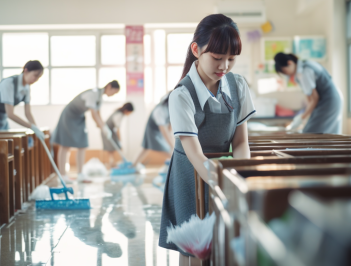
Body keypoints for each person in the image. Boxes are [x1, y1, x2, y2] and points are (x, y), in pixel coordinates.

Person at [158, 14, 255, 265]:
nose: (224, 66)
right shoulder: (181, 95)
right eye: (217, 57)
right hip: (190, 172)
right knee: (193, 248)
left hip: (223, 170)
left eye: (231, 59)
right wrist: (222, 183)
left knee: (222, 242)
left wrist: (239, 176)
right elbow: (194, 153)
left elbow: (241, 142)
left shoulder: (239, 85)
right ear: (196, 50)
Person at [52, 81, 120, 182]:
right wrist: (103, 128)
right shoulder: (93, 94)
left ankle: (80, 175)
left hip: (79, 117)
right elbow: (93, 114)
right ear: (109, 86)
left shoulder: (100, 98)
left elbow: (98, 114)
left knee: (83, 145)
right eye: (114, 92)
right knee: (65, 145)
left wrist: (103, 127)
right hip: (69, 116)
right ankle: (62, 176)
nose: (113, 95)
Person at [0, 60, 45, 138]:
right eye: (35, 75)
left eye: (39, 77)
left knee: (4, 145)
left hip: (1, 118)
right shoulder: (9, 83)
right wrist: (31, 127)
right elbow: (10, 114)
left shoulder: (27, 88)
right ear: (26, 71)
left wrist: (36, 128)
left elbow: (28, 113)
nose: (36, 79)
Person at [274, 53, 343, 134]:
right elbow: (310, 98)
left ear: (290, 63)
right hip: (331, 98)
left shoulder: (304, 71)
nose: (288, 75)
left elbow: (314, 99)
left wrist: (302, 118)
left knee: (311, 132)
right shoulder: (305, 65)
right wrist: (306, 117)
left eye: (285, 71)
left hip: (329, 101)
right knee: (315, 130)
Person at [132, 93, 174, 170]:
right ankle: (133, 166)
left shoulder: (171, 109)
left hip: (160, 130)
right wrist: (172, 146)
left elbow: (169, 129)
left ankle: (134, 165)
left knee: (147, 148)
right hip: (152, 130)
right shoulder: (160, 110)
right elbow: (164, 131)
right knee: (166, 149)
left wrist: (172, 143)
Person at [101, 102, 135, 168]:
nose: (129, 114)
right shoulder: (119, 115)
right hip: (106, 131)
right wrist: (120, 140)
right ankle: (112, 163)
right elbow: (118, 129)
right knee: (110, 147)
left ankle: (115, 162)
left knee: (113, 147)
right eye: (130, 112)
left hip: (110, 131)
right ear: (127, 110)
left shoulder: (120, 114)